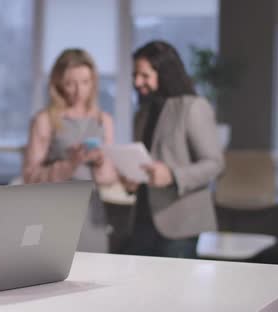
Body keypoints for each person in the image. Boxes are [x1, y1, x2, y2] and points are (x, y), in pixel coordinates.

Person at [115, 40, 224, 257]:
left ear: (164, 73)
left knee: (175, 290)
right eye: (135, 75)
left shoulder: (192, 107)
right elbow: (145, 161)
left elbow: (215, 164)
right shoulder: (143, 112)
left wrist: (173, 175)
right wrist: (131, 179)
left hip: (180, 223)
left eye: (144, 76)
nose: (137, 82)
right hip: (142, 219)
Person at [22, 48, 117, 252]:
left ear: (93, 82)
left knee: (97, 273)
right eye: (69, 83)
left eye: (85, 82)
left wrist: (100, 162)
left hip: (92, 213)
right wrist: (70, 164)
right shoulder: (45, 119)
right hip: (54, 212)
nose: (78, 90)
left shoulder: (103, 120)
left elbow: (109, 179)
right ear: (58, 84)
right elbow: (30, 177)